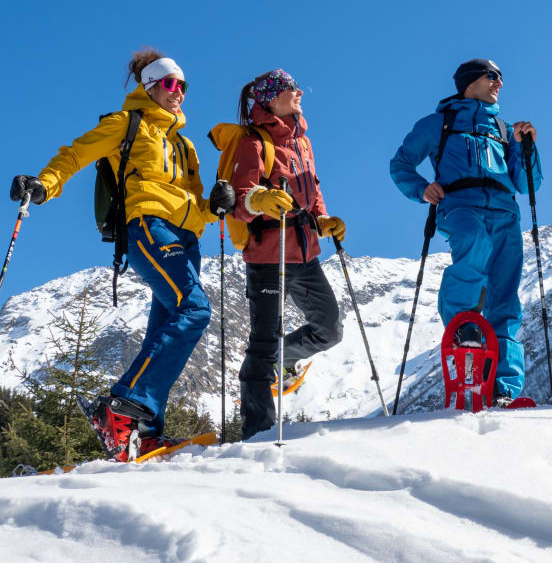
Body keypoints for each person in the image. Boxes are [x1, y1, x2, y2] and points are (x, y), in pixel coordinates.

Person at [10, 49, 235, 460]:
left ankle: (143, 433)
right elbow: (75, 154)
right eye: (169, 84)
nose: (178, 92)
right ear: (149, 87)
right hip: (149, 226)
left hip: (188, 238)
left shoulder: (184, 145)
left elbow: (195, 202)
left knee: (164, 327)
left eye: (183, 85)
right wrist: (44, 184)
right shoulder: (126, 123)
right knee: (194, 309)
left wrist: (216, 206)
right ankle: (123, 403)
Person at [390, 58, 542, 406]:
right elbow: (400, 163)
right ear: (470, 81)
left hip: (505, 213)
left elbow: (526, 183)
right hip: (460, 206)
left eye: (500, 77)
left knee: (505, 296)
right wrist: (421, 188)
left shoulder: (504, 129)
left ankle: (503, 388)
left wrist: (527, 147)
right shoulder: (438, 123)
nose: (499, 83)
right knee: (474, 242)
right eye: (493, 76)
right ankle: (463, 330)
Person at [210, 69, 344, 440]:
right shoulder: (253, 142)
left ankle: (285, 359)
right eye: (291, 88)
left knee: (330, 328)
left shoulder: (303, 142)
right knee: (263, 342)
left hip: (305, 252)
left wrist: (323, 219)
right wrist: (260, 200)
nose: (300, 92)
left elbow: (312, 191)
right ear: (271, 98)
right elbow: (239, 201)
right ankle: (258, 431)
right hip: (268, 256)